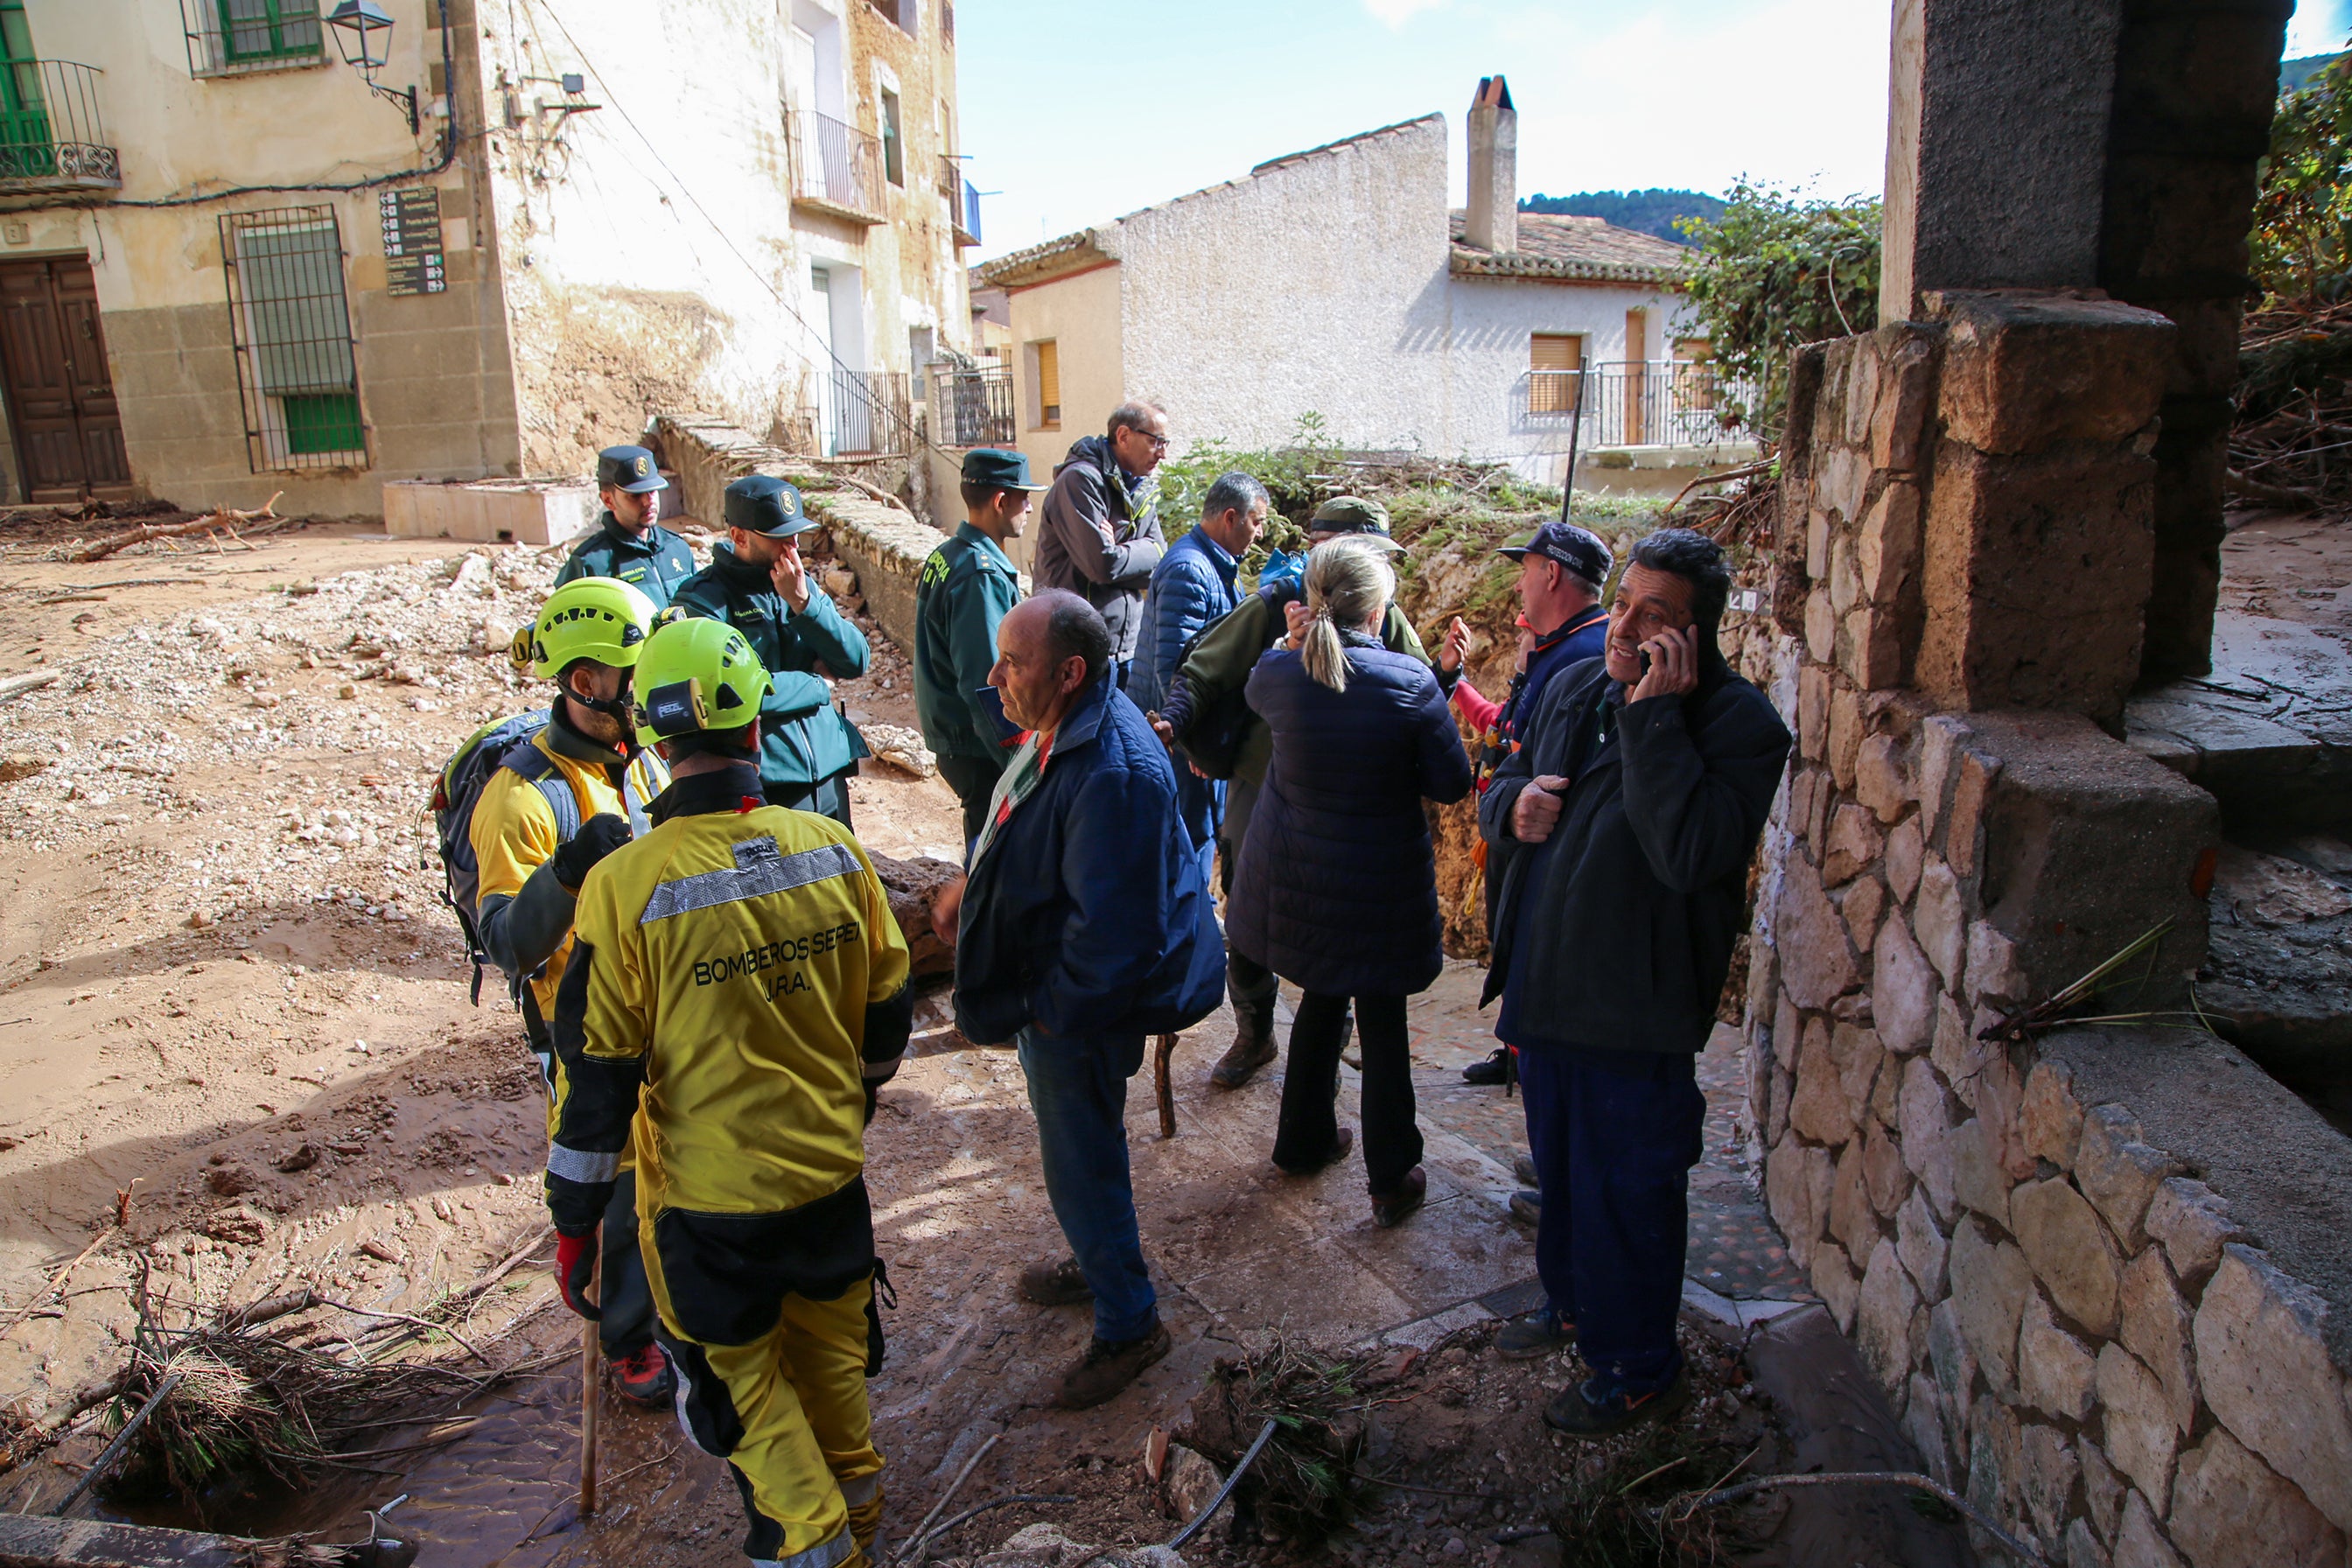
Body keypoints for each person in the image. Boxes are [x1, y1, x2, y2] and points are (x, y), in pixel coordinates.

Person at [543, 614, 914, 1568]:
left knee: (749, 1412)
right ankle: (854, 1531)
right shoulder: (835, 852)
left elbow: (594, 1087)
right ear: (757, 729)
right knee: (839, 1402)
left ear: (659, 748)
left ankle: (818, 1545)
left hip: (708, 1221)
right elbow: (885, 1021)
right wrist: (845, 1106)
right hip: (831, 1194)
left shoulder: (622, 888)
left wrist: (576, 1227)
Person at [1477, 528, 1790, 1436]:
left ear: (1697, 635)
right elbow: (1501, 779)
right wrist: (1513, 808)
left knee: (1630, 1191)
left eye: (1654, 617)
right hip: (1548, 986)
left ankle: (1639, 1366)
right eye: (1623, 604)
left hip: (1636, 1009)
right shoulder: (1577, 682)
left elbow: (1689, 852)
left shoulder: (1738, 727)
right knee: (1565, 1179)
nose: (1625, 627)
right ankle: (1571, 1303)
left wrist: (1656, 716)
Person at [934, 591, 1223, 1409]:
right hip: (1060, 993)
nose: (995, 678)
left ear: (1070, 671)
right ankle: (1100, 1257)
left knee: (1080, 1156)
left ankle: (1131, 1321)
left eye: (1013, 663)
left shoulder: (1114, 772)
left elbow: (1112, 942)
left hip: (1076, 1008)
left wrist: (1048, 1012)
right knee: (1084, 1151)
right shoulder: (1074, 725)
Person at [471, 578, 675, 1405]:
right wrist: (565, 869)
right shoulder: (522, 799)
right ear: (587, 681)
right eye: (636, 670)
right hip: (587, 1035)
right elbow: (509, 941)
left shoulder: (648, 760)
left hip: (665, 1009)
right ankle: (628, 1342)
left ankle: (678, 1305)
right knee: (616, 1192)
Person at [1228, 539, 1473, 1228]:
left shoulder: (1277, 674)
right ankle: (1391, 1176)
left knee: (1319, 1003)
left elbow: (1265, 682)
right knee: (1383, 1024)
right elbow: (1450, 782)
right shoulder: (1410, 682)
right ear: (1378, 609)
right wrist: (1442, 685)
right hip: (1378, 886)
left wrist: (1290, 639)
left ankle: (1301, 1143)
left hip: (1306, 881)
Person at [1152, 496, 1429, 1089]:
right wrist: (1178, 722)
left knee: (1337, 924)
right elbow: (1206, 668)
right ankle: (1255, 1031)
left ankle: (1325, 1047)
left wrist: (1447, 680)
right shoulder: (1278, 603)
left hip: (1350, 801)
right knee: (1250, 910)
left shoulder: (1384, 611)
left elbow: (1418, 683)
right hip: (1266, 785)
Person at [1441, 521, 1614, 1088]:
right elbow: (1509, 729)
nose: (1519, 588)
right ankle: (1518, 1049)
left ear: (1553, 573)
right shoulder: (1558, 651)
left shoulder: (1581, 659)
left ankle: (1529, 1062)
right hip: (1518, 839)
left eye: (1525, 573)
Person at [668, 475, 872, 823]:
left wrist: (804, 605)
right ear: (739, 537)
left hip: (828, 767)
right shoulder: (702, 600)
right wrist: (816, 684)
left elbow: (854, 660)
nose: (792, 546)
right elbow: (733, 693)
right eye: (779, 537)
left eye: (795, 534)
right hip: (769, 780)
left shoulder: (796, 584)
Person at [1132, 471, 1269, 887]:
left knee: (1199, 841)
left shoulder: (1216, 564)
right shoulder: (1190, 569)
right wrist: (1198, 746)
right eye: (1256, 522)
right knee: (1187, 845)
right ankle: (1191, 940)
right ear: (1231, 517)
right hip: (1179, 743)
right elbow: (1174, 667)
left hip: (1186, 737)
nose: (1260, 534)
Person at [914, 449, 1046, 845]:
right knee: (995, 855)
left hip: (958, 737)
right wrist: (1019, 762)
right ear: (1000, 501)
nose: (1030, 506)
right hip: (977, 746)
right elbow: (988, 683)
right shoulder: (978, 574)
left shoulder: (950, 554)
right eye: (1023, 496)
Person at [1033, 401, 1168, 690]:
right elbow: (1102, 565)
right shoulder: (1080, 480)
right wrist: (1130, 551)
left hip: (1126, 648)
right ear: (1123, 435)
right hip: (1079, 653)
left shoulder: (1140, 488)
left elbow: (1160, 557)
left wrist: (1117, 546)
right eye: (1155, 441)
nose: (1163, 453)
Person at [553, 444, 700, 611]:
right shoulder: (590, 564)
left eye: (652, 491)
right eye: (635, 495)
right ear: (608, 500)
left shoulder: (677, 548)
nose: (648, 501)